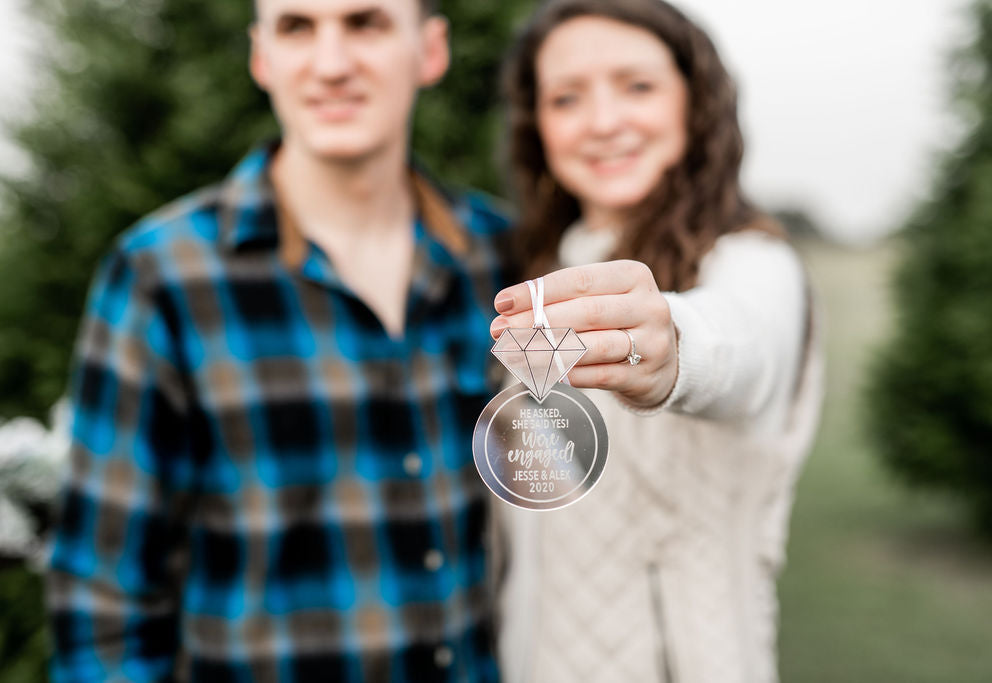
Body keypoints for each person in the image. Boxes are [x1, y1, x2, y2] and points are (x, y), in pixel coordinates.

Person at [45, 0, 512, 680]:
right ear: (261, 57)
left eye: (366, 23)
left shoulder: (501, 257)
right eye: (297, 27)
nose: (331, 64)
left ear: (430, 51)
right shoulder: (163, 275)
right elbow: (102, 599)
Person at [489, 1, 824, 681]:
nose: (605, 120)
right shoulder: (531, 269)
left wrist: (671, 344)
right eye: (567, 97)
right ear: (538, 126)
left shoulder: (752, 263)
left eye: (637, 86)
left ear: (695, 102)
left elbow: (741, 343)